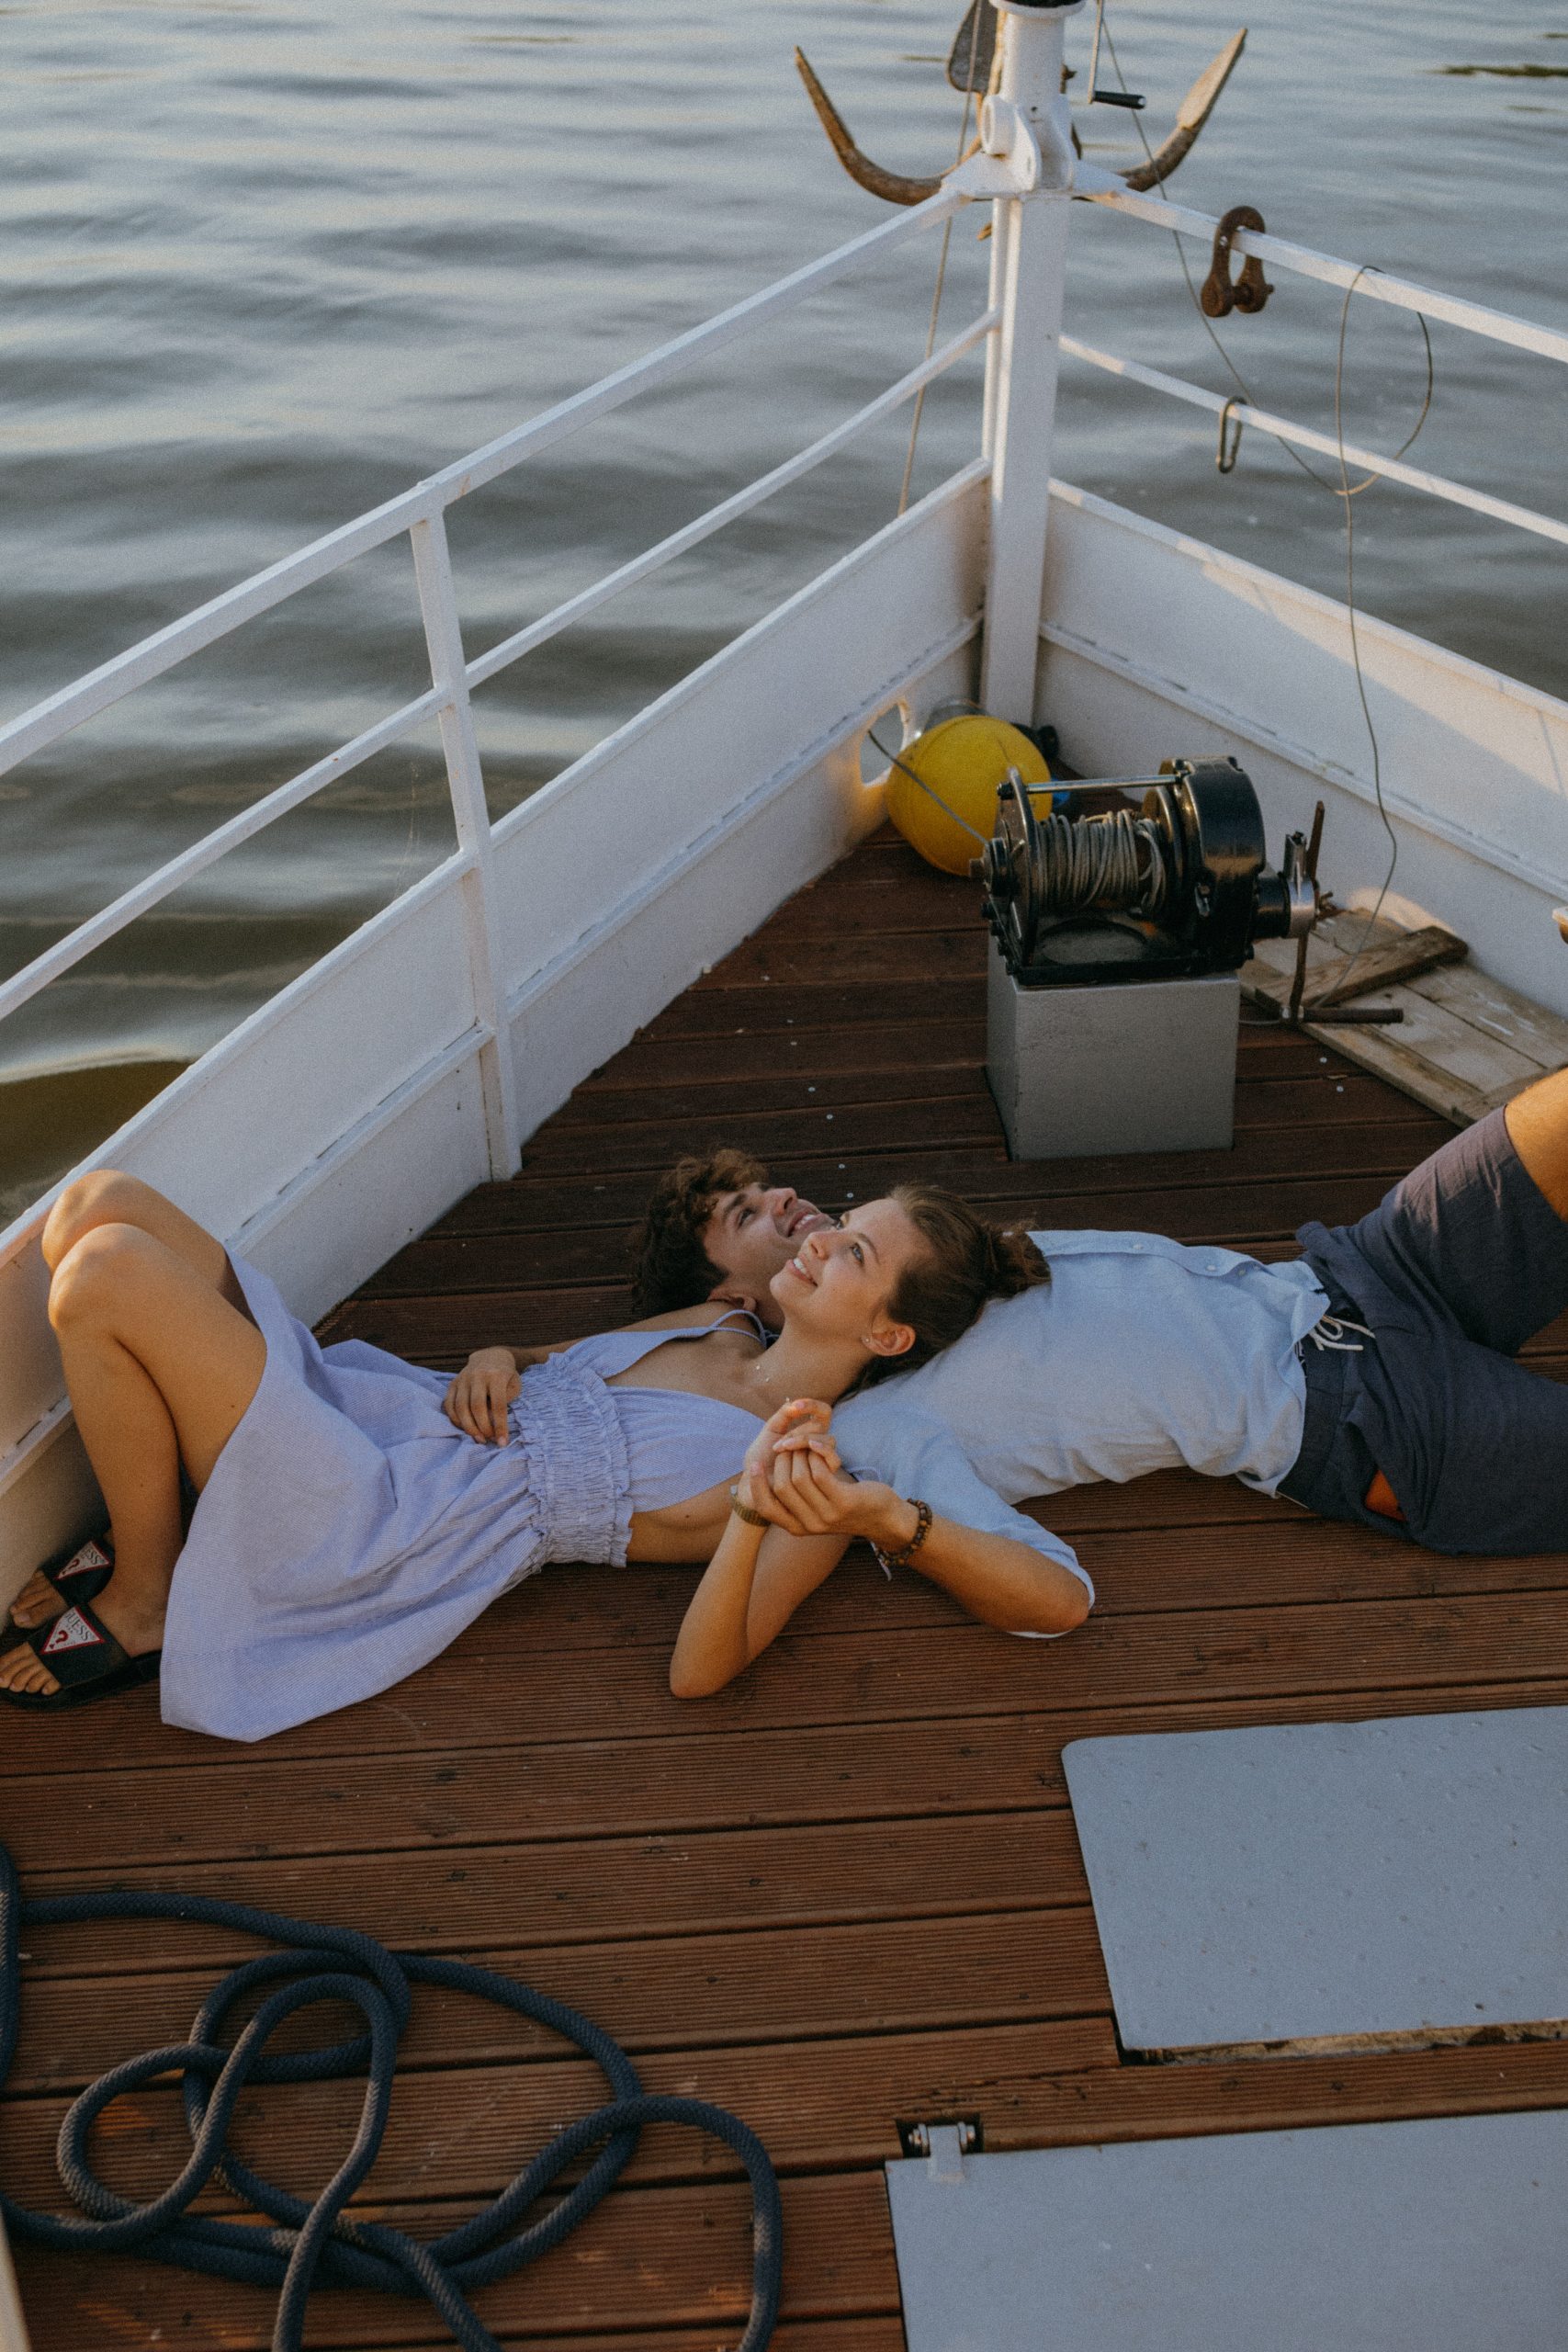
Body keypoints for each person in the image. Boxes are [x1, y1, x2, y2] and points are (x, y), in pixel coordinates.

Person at [0, 1171, 1090, 1732]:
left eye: (851, 1250)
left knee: (102, 1274)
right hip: (404, 1407)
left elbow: (697, 1675)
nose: (815, 1236)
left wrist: (759, 1513)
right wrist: (490, 1353)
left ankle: (148, 1594)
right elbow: (536, 1357)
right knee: (101, 1202)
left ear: (888, 1334)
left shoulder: (810, 1468)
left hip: (393, 1513)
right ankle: (178, 1526)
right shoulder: (713, 1324)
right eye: (839, 1220)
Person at [627, 1069, 1568, 1558]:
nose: (792, 1212)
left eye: (769, 1190)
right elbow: (698, 1506)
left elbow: (583, 1355)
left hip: (1347, 1272)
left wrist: (512, 1350)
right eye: (746, 1217)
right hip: (1370, 1424)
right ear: (728, 1300)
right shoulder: (871, 1433)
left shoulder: (898, 1238)